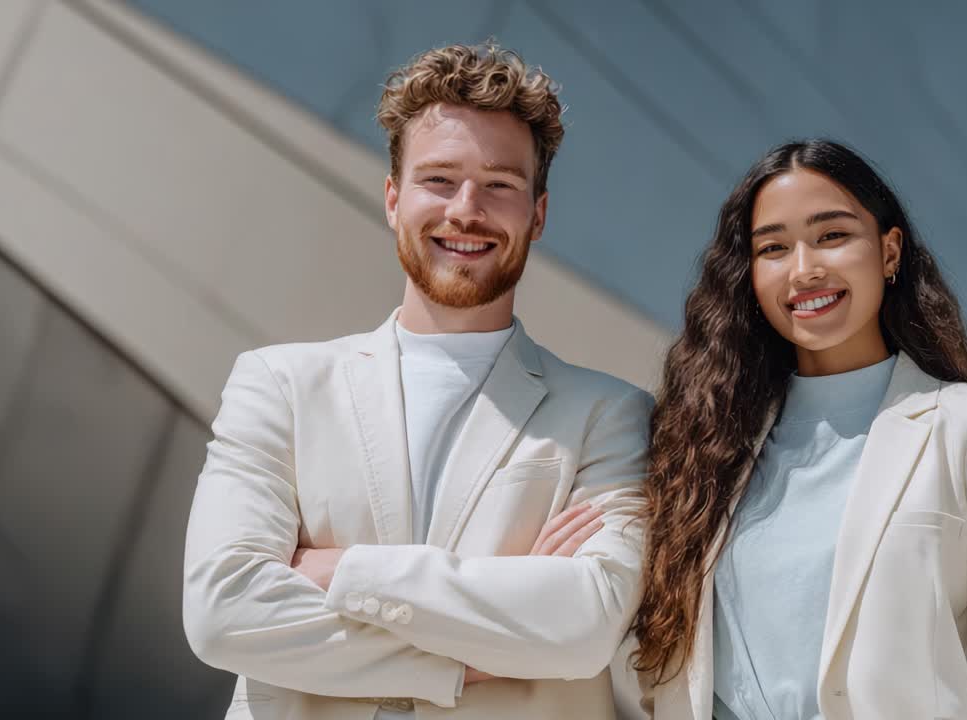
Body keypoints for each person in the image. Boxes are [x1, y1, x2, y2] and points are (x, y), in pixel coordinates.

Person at [183, 42, 651, 720]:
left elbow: (582, 629)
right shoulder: (277, 384)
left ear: (538, 214)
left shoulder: (611, 415)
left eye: (500, 185)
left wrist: (342, 571)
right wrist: (471, 650)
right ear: (393, 199)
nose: (467, 209)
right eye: (439, 180)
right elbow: (223, 611)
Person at [631, 140, 967, 720]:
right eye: (773, 248)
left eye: (832, 236)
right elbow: (665, 680)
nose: (804, 269)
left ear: (889, 252)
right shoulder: (705, 448)